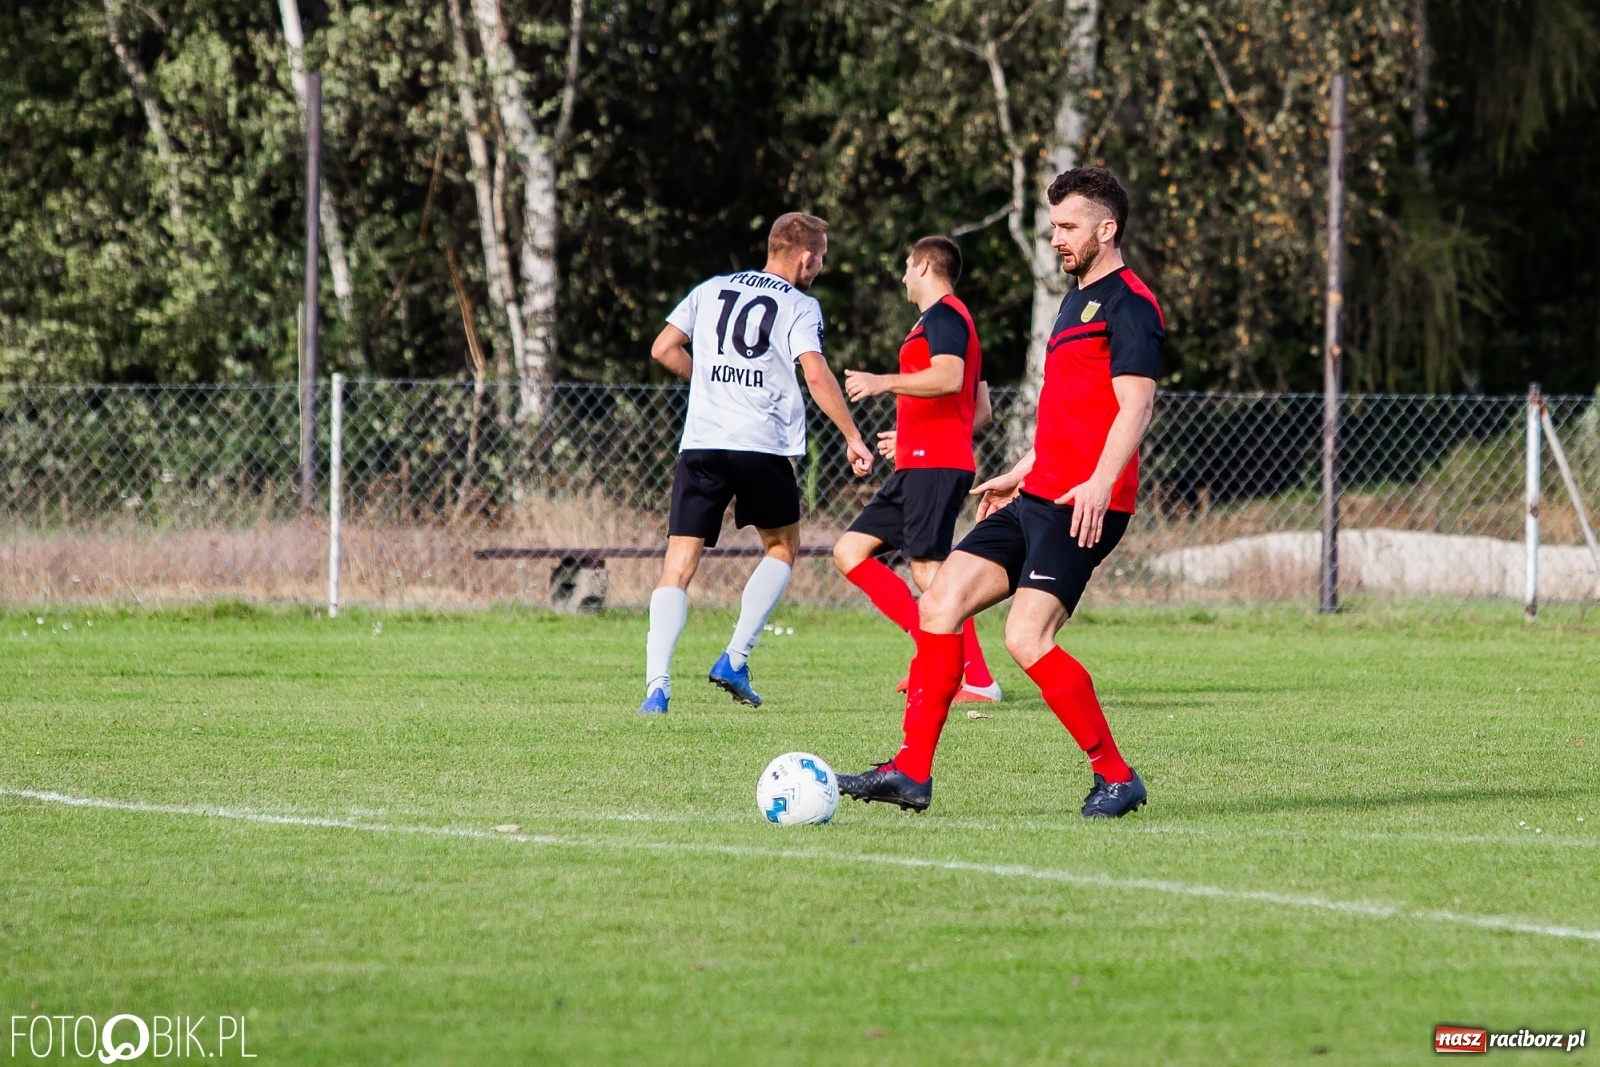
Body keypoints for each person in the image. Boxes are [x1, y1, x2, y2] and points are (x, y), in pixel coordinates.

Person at [837, 167, 1164, 818]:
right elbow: (1078, 409)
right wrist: (1023, 466)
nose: (1057, 239)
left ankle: (1116, 776)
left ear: (1108, 228)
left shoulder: (1132, 303)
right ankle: (911, 772)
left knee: (1026, 638)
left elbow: (1136, 405)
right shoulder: (1075, 301)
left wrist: (1099, 482)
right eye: (1053, 228)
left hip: (1086, 505)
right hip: (1036, 493)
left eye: (1069, 228)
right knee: (941, 603)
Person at [639, 212, 873, 714]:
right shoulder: (800, 304)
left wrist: (709, 382)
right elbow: (814, 372)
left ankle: (656, 686)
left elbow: (663, 348)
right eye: (822, 257)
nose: (822, 266)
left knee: (677, 567)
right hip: (761, 444)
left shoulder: (711, 288)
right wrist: (852, 435)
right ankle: (735, 658)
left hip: (701, 443)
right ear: (806, 256)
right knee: (783, 547)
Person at [833, 235, 1001, 703]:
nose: (904, 276)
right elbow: (979, 409)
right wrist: (915, 437)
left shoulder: (945, 316)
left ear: (925, 266)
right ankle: (933, 653)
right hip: (922, 461)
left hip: (935, 467)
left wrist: (881, 382)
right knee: (850, 551)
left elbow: (949, 378)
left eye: (908, 266)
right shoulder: (947, 320)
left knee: (931, 573)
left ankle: (977, 680)